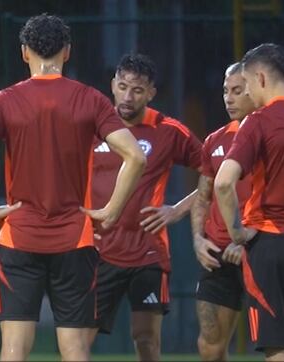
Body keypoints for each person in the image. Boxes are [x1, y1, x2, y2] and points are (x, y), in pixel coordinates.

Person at [0, 14, 146, 361]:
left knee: (14, 348)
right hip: (75, 238)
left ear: (25, 52)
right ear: (67, 52)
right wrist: (111, 211)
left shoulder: (5, 100)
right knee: (74, 347)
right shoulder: (90, 99)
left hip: (19, 237)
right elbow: (135, 156)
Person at [90, 53, 202, 361]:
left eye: (137, 90)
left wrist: (178, 209)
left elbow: (215, 170)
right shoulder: (92, 127)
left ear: (151, 93)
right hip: (97, 252)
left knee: (146, 339)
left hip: (147, 253)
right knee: (79, 338)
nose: (128, 96)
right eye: (123, 86)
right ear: (113, 84)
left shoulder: (168, 130)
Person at [215, 43, 284, 361]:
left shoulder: (258, 122)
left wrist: (237, 234)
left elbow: (223, 181)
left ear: (260, 78)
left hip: (271, 244)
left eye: (245, 85)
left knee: (279, 345)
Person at [191, 62, 256, 361]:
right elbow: (203, 197)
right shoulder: (215, 140)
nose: (229, 98)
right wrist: (197, 238)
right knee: (209, 347)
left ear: (255, 90)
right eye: (225, 91)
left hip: (260, 249)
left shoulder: (274, 137)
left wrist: (244, 239)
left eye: (237, 91)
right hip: (217, 256)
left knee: (276, 344)